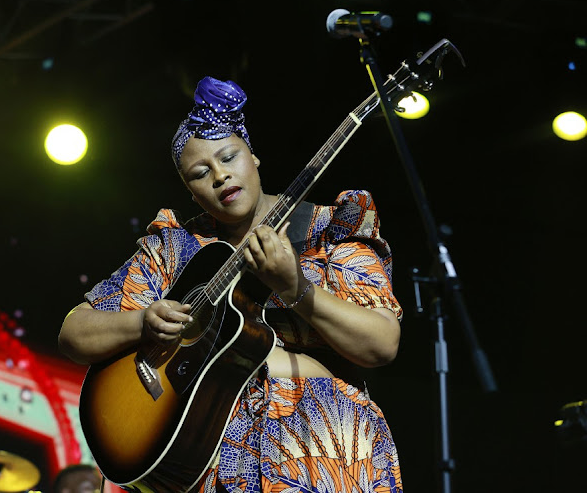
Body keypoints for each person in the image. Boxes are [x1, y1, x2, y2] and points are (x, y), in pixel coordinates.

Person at [59, 76, 403, 492]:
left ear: (253, 157)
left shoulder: (328, 230)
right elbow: (75, 333)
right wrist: (143, 323)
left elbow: (381, 343)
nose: (220, 176)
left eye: (229, 157)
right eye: (201, 173)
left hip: (317, 443)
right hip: (208, 457)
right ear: (189, 191)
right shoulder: (176, 248)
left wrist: (295, 287)